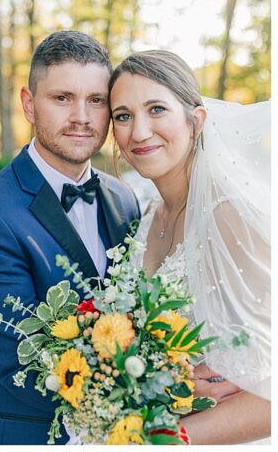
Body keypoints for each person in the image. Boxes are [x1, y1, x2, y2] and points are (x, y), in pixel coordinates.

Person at [0, 30, 140, 445]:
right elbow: (21, 361)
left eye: (96, 100)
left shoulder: (124, 199)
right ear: (29, 105)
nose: (82, 117)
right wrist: (146, 390)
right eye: (62, 98)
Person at [108, 50, 270, 444]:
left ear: (195, 120)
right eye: (123, 116)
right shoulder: (146, 217)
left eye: (157, 109)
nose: (139, 132)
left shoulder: (231, 217)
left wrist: (158, 440)